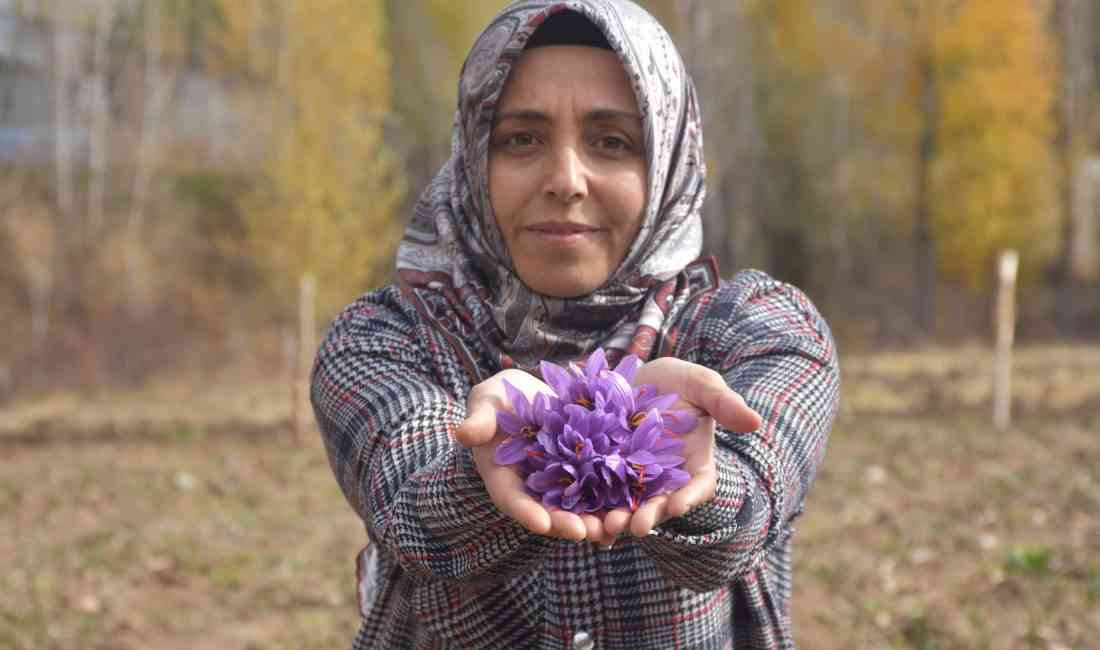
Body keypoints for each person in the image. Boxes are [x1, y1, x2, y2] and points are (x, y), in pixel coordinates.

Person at [311, 1, 840, 648]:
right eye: (520, 139)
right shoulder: (382, 340)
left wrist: (680, 458)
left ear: (669, 161)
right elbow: (413, 511)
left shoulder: (763, 330)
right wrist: (510, 447)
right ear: (474, 158)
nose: (565, 179)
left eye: (612, 141)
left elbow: (746, 511)